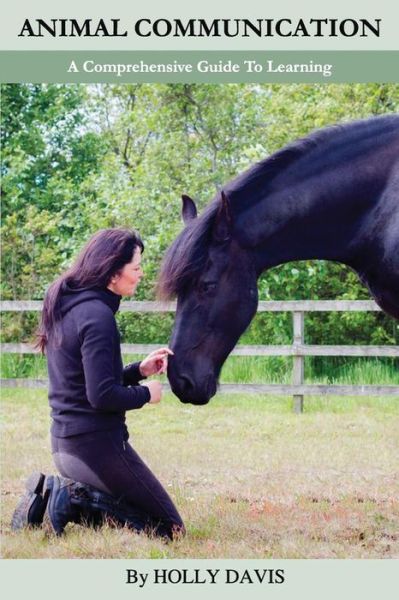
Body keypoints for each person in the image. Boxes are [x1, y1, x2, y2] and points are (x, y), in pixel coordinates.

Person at [11, 228, 185, 540]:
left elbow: (88, 382)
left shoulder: (71, 307)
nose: (141, 274)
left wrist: (139, 371)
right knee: (170, 531)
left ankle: (55, 498)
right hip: (95, 449)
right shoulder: (98, 316)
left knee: (141, 519)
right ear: (112, 273)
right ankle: (72, 499)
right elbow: (102, 396)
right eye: (136, 268)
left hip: (66, 447)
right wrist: (147, 394)